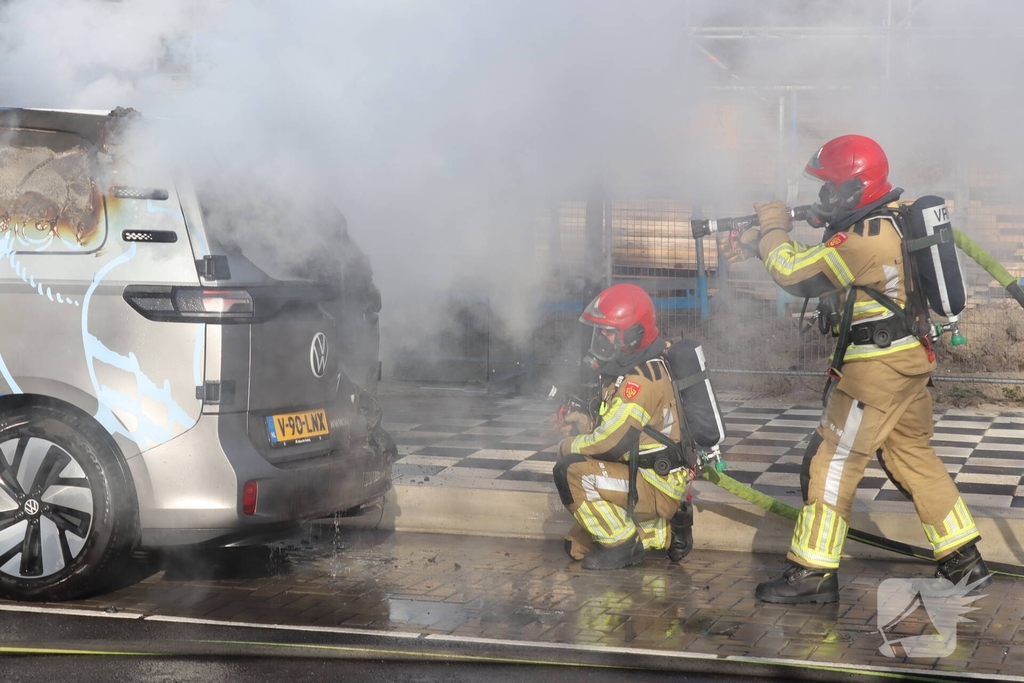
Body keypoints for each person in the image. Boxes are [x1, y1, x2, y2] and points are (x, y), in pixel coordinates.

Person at [719, 134, 992, 603]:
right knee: (913, 458)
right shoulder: (892, 218)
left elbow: (796, 272)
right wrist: (753, 244)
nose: (823, 198)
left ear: (852, 189)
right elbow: (821, 255)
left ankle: (812, 571)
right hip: (907, 363)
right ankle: (964, 561)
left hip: (874, 373)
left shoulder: (864, 240)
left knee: (833, 463)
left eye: (830, 189)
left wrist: (770, 229)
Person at [552, 283, 693, 570]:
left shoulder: (638, 381)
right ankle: (666, 531)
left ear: (632, 334)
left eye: (609, 332)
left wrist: (567, 445)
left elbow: (609, 443)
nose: (602, 339)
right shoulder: (641, 363)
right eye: (600, 331)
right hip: (642, 472)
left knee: (569, 471)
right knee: (575, 547)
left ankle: (623, 546)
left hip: (655, 482)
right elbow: (626, 427)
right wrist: (586, 423)